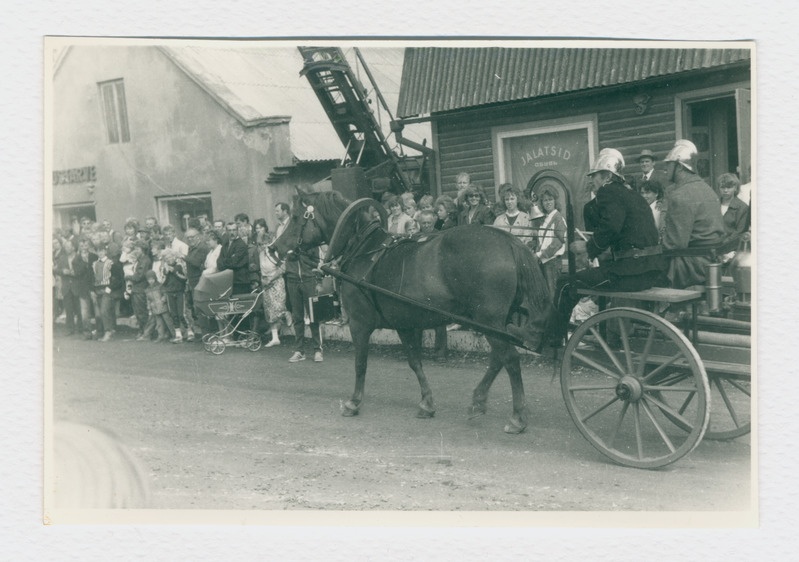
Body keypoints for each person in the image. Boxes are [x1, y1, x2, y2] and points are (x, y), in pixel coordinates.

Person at [551, 148, 667, 345]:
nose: (592, 181)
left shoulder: (607, 191)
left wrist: (588, 248)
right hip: (650, 271)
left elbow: (612, 226)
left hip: (630, 273)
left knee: (565, 284)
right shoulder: (632, 195)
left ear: (606, 176)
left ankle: (552, 339)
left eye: (594, 176)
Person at [661, 139, 725, 289]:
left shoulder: (680, 195)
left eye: (669, 164)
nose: (666, 168)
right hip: (711, 262)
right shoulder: (707, 189)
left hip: (690, 267)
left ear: (680, 166)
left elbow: (674, 244)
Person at [284, 241, 324, 363]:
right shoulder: (287, 239)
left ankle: (318, 350)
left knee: (313, 316)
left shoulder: (311, 241)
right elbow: (283, 258)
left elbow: (317, 261)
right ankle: (299, 351)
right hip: (292, 280)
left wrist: (317, 279)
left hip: (308, 280)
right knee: (297, 316)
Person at [258, 229, 290, 347]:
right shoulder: (261, 254)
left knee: (278, 306)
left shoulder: (275, 252)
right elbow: (261, 270)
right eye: (262, 243)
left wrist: (271, 279)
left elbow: (282, 268)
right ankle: (275, 338)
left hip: (276, 282)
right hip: (266, 283)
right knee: (269, 310)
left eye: (266, 243)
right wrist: (263, 280)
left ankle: (286, 313)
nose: (264, 246)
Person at [534, 188, 568, 300]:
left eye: (550, 199)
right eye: (545, 200)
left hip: (552, 262)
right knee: (545, 295)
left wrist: (539, 255)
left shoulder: (558, 219)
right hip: (544, 262)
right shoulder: (546, 218)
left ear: (555, 201)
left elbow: (558, 242)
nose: (548, 202)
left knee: (553, 295)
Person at [492, 183, 538, 250]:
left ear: (517, 199)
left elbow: (527, 240)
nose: (509, 202)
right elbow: (495, 240)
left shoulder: (525, 218)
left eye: (512, 199)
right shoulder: (499, 220)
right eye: (507, 199)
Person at [183, 228, 209, 337]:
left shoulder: (202, 247)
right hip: (193, 281)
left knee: (201, 307)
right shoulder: (192, 248)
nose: (190, 239)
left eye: (192, 237)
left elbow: (196, 262)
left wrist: (183, 257)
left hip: (200, 281)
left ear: (198, 236)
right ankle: (204, 333)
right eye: (188, 238)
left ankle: (207, 333)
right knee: (196, 307)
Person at [137, 270, 174, 342]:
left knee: (169, 322)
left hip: (163, 307)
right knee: (159, 324)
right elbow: (148, 299)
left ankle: (174, 335)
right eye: (149, 280)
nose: (150, 281)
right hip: (155, 308)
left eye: (152, 279)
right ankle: (161, 336)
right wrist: (149, 307)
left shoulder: (160, 286)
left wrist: (163, 300)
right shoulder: (147, 289)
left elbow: (165, 294)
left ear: (155, 278)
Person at [717, 172, 750, 253]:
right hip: (713, 246)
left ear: (735, 188)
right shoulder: (714, 205)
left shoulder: (742, 207)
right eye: (722, 187)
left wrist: (722, 244)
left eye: (729, 187)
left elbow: (739, 232)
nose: (725, 190)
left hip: (732, 249)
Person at [161, 248, 189, 343]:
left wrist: (174, 272)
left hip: (179, 292)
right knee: (173, 314)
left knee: (182, 314)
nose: (169, 259)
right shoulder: (164, 268)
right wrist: (166, 273)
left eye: (170, 257)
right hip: (169, 292)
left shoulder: (179, 266)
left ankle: (189, 331)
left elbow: (184, 278)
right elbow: (162, 282)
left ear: (174, 257)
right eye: (167, 258)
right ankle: (178, 334)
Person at [125, 242, 152, 338]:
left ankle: (146, 333)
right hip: (137, 288)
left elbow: (139, 276)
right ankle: (142, 331)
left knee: (141, 311)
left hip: (140, 288)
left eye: (138, 249)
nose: (136, 251)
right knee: (138, 311)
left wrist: (128, 277)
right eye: (135, 249)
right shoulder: (141, 260)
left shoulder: (145, 260)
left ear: (143, 250)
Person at [91, 243, 116, 342]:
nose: (100, 253)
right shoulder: (94, 264)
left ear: (105, 251)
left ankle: (108, 331)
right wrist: (93, 290)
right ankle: (104, 331)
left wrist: (109, 288)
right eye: (98, 251)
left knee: (104, 311)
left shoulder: (110, 263)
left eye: (102, 250)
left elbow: (116, 277)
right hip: (97, 289)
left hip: (107, 289)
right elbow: (92, 278)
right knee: (99, 313)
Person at [217, 222, 250, 295]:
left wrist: (225, 261)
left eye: (234, 230)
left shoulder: (241, 245)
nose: (232, 233)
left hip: (240, 282)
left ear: (237, 231)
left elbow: (233, 262)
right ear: (226, 231)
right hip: (229, 281)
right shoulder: (225, 245)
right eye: (229, 230)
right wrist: (228, 260)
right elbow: (219, 263)